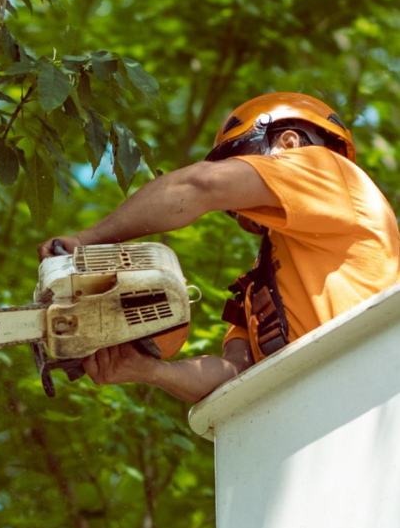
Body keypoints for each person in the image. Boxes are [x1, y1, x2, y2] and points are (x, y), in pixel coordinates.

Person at [38, 93, 400, 402]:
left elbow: (201, 185)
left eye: (243, 159)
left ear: (289, 142)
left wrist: (87, 241)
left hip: (373, 389)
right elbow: (235, 374)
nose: (234, 208)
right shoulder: (266, 280)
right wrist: (147, 369)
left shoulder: (328, 172)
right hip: (322, 411)